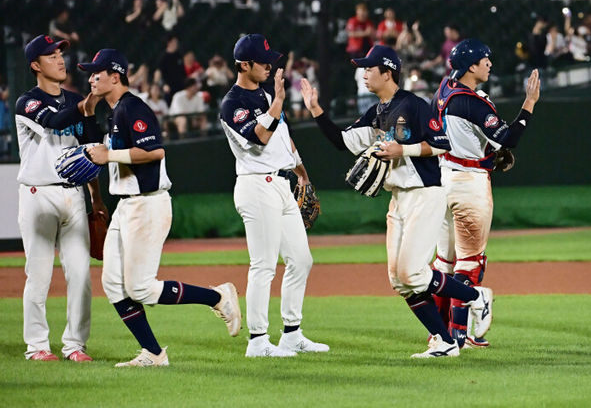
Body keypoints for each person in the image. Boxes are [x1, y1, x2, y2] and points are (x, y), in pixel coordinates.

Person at [300, 45, 493, 358]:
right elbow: (342, 141)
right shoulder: (377, 111)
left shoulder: (413, 105)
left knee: (414, 273)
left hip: (425, 194)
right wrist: (315, 110)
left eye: (369, 68)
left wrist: (403, 150)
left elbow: (442, 144)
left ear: (387, 72)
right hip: (398, 200)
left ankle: (475, 297)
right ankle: (444, 342)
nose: (364, 74)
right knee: (399, 280)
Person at [80, 49, 241, 367]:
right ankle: (153, 353)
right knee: (113, 284)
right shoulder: (114, 112)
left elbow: (155, 152)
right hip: (126, 206)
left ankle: (218, 297)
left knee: (140, 287)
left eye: (96, 72)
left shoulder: (133, 107)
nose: (90, 78)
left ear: (115, 76)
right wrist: (87, 115)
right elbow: (99, 150)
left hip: (148, 204)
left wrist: (110, 157)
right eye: (89, 73)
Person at [218, 34, 328, 357]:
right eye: (263, 62)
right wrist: (278, 101)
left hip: (280, 184)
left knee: (301, 260)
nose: (270, 66)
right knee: (263, 265)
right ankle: (257, 341)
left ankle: (292, 334)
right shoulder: (232, 103)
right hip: (255, 186)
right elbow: (261, 136)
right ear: (244, 65)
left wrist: (302, 172)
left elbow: (283, 137)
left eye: (270, 61)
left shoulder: (266, 93)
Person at [431, 39, 540, 347]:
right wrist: (529, 103)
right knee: (469, 264)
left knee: (443, 263)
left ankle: (440, 336)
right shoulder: (473, 103)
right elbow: (508, 138)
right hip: (469, 183)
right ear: (470, 67)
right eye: (484, 59)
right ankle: (461, 331)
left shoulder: (443, 89)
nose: (489, 63)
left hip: (442, 179)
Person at [15, 35, 104, 362]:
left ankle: (75, 346)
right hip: (38, 196)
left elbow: (93, 146)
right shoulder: (28, 102)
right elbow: (53, 121)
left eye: (60, 54)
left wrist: (96, 196)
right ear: (35, 65)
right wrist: (86, 106)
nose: (59, 59)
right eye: (50, 55)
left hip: (74, 196)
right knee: (38, 275)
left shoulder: (76, 99)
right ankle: (37, 346)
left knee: (80, 275)